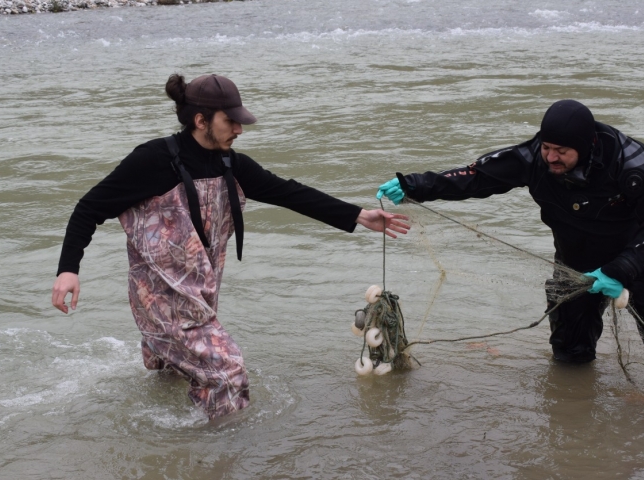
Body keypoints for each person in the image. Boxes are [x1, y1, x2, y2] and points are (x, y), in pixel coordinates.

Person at [52, 73, 410, 420]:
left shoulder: (229, 163)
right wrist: (68, 269)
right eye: (231, 122)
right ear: (200, 120)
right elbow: (89, 208)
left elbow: (287, 192)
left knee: (175, 373)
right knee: (228, 371)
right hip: (160, 293)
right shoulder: (152, 161)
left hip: (200, 286)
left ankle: (168, 446)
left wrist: (358, 215)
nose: (239, 129)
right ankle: (219, 453)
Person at [376, 99, 644, 390]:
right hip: (574, 266)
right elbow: (475, 176)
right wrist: (413, 186)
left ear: (586, 146)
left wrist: (623, 268)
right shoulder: (534, 158)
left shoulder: (631, 164)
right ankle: (575, 409)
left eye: (561, 151)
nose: (551, 157)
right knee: (569, 354)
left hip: (635, 260)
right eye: (547, 147)